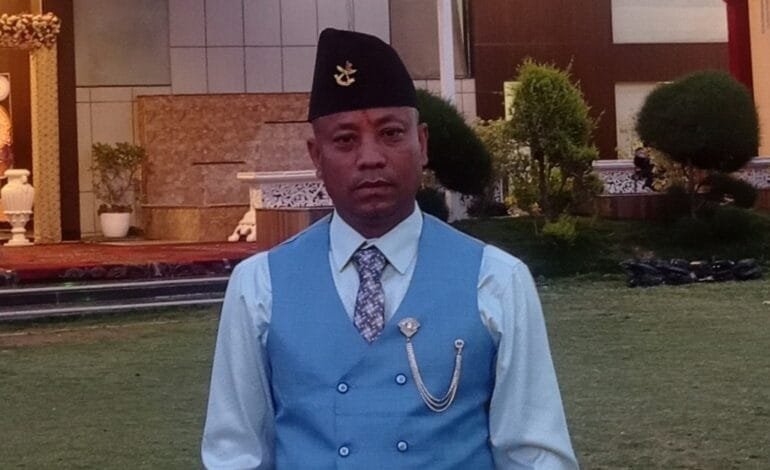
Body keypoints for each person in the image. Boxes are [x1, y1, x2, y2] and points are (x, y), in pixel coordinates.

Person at [202, 28, 578, 469]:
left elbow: (534, 455)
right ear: (316, 156)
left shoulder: (496, 278)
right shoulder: (259, 285)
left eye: (391, 133)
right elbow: (235, 455)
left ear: (422, 144)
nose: (370, 157)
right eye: (345, 140)